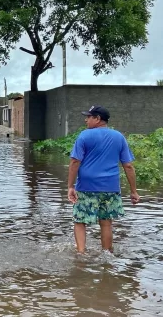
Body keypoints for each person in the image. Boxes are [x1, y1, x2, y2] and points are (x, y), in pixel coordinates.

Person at [67, 105, 140, 254]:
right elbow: (128, 166)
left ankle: (81, 254)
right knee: (106, 223)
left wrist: (70, 187)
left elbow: (75, 162)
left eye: (89, 117)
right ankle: (107, 254)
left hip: (87, 187)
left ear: (98, 119)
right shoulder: (119, 137)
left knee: (80, 221)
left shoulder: (84, 136)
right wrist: (134, 192)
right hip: (111, 188)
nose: (85, 120)